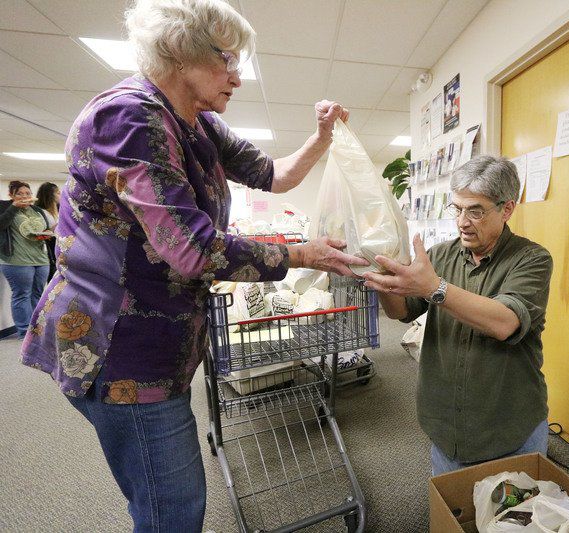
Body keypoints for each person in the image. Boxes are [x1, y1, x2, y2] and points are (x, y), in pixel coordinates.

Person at [19, 0, 367, 530]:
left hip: (161, 343)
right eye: (229, 60)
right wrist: (302, 254)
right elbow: (191, 249)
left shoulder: (196, 123)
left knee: (164, 502)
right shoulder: (128, 118)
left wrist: (321, 139)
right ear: (182, 53)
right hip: (119, 350)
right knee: (172, 511)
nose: (238, 78)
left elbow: (273, 175)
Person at [362, 155, 554, 476]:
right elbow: (402, 312)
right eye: (457, 209)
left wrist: (435, 287)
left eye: (475, 211)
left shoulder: (531, 259)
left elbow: (505, 321)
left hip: (508, 426)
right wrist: (380, 274)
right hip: (447, 427)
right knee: (453, 517)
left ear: (506, 209)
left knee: (513, 522)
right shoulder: (440, 255)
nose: (462, 221)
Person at [1, 180, 53, 338]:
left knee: (38, 294)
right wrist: (14, 207)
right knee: (22, 294)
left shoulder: (37, 210)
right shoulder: (5, 208)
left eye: (28, 193)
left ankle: (36, 329)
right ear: (11, 195)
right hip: (17, 260)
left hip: (40, 258)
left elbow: (44, 228)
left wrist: (46, 234)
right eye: (20, 194)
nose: (25, 196)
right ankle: (24, 332)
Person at [34, 181, 60, 280]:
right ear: (50, 195)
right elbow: (40, 231)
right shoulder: (41, 212)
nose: (60, 195)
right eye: (58, 193)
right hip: (48, 249)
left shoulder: (56, 211)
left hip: (56, 247)